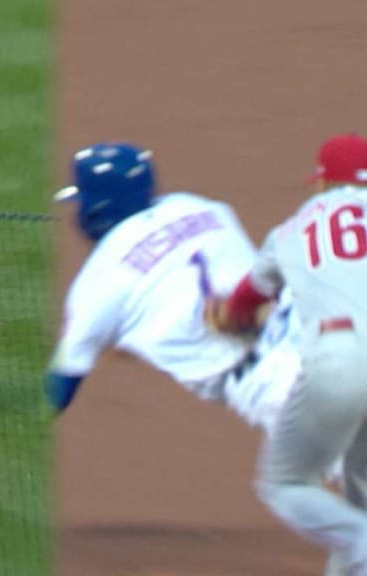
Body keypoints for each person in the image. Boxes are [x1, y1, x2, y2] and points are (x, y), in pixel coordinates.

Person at [45, 141, 305, 439]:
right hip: (309, 328)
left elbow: (60, 384)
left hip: (268, 383)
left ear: (95, 209)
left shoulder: (96, 282)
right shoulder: (201, 206)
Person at [208, 133, 367, 576]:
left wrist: (222, 317)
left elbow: (241, 306)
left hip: (341, 361)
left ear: (323, 183)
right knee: (361, 497)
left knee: (286, 484)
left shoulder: (291, 230)